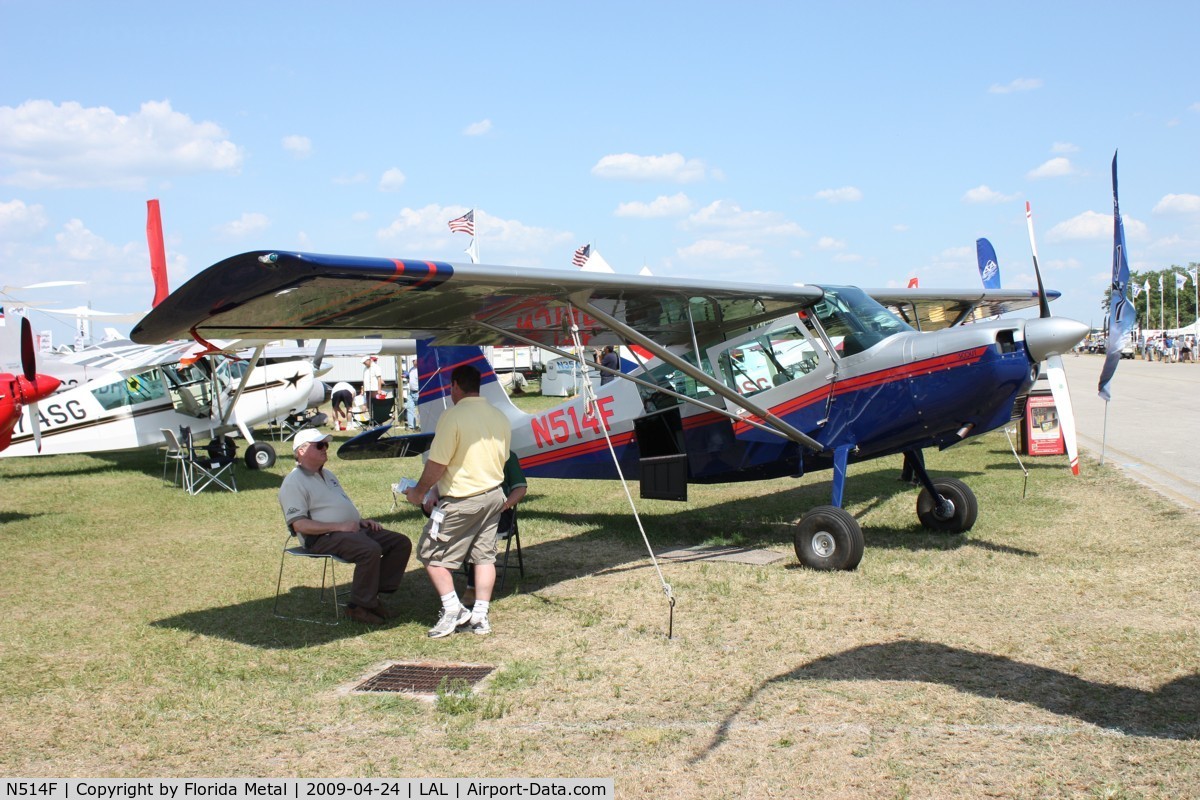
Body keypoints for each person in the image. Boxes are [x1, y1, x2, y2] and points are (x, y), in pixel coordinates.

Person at [404, 364, 511, 638]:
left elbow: (437, 463)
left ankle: (454, 609)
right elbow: (504, 458)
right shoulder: (499, 416)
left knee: (430, 553)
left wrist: (419, 492)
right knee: (484, 556)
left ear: (454, 386)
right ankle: (481, 616)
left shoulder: (452, 416)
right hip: (494, 495)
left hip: (462, 498)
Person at [279, 429, 412, 624]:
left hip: (349, 529)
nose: (325, 449)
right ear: (301, 451)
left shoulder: (328, 474)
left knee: (400, 543)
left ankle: (371, 596)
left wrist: (360, 522)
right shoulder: (293, 482)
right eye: (319, 445)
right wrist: (340, 526)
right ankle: (358, 607)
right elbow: (299, 524)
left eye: (326, 444)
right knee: (369, 549)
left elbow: (339, 506)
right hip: (321, 537)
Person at [424, 451, 527, 599]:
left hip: (497, 512)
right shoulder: (463, 453)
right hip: (464, 510)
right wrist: (433, 493)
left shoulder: (506, 455)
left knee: (474, 534)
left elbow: (520, 489)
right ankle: (449, 585)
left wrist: (504, 505)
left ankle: (471, 590)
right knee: (439, 530)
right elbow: (443, 480)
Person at [405, 362, 420, 429]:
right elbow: (409, 379)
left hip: (419, 391)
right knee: (410, 408)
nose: (414, 362)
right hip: (411, 392)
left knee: (421, 410)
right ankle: (411, 426)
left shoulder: (421, 370)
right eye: (413, 360)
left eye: (415, 360)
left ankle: (421, 426)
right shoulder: (411, 369)